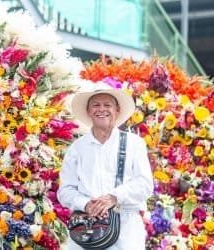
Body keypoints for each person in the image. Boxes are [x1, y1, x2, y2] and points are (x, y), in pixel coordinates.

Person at [57, 82, 154, 250]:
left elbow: (145, 185)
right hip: (86, 229)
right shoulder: (77, 148)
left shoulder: (134, 143)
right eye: (96, 105)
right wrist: (86, 204)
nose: (101, 109)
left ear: (117, 111)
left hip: (126, 230)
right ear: (88, 112)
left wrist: (114, 197)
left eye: (107, 105)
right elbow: (65, 191)